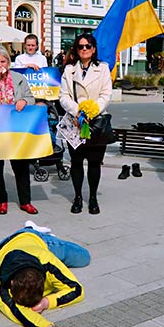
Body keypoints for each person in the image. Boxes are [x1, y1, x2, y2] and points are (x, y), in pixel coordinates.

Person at [0, 224, 88, 327]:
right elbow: (16, 311)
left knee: (84, 258)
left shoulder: (47, 262)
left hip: (36, 240)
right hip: (6, 245)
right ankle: (29, 228)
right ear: (12, 283)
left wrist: (46, 302)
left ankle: (37, 230)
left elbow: (77, 289)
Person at [0, 46, 37, 215]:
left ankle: (25, 201)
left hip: (15, 126)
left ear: (8, 62)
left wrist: (24, 101)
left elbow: (30, 97)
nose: (0, 65)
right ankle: (2, 200)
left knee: (21, 165)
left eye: (3, 61)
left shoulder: (18, 77)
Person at [59, 33, 112, 215]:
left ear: (93, 49)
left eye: (87, 46)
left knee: (95, 162)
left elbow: (106, 94)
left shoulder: (103, 69)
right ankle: (78, 197)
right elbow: (63, 96)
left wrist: (91, 111)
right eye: (80, 46)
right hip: (75, 122)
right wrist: (78, 111)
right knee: (76, 162)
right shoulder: (69, 70)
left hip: (96, 122)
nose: (84, 49)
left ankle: (93, 198)